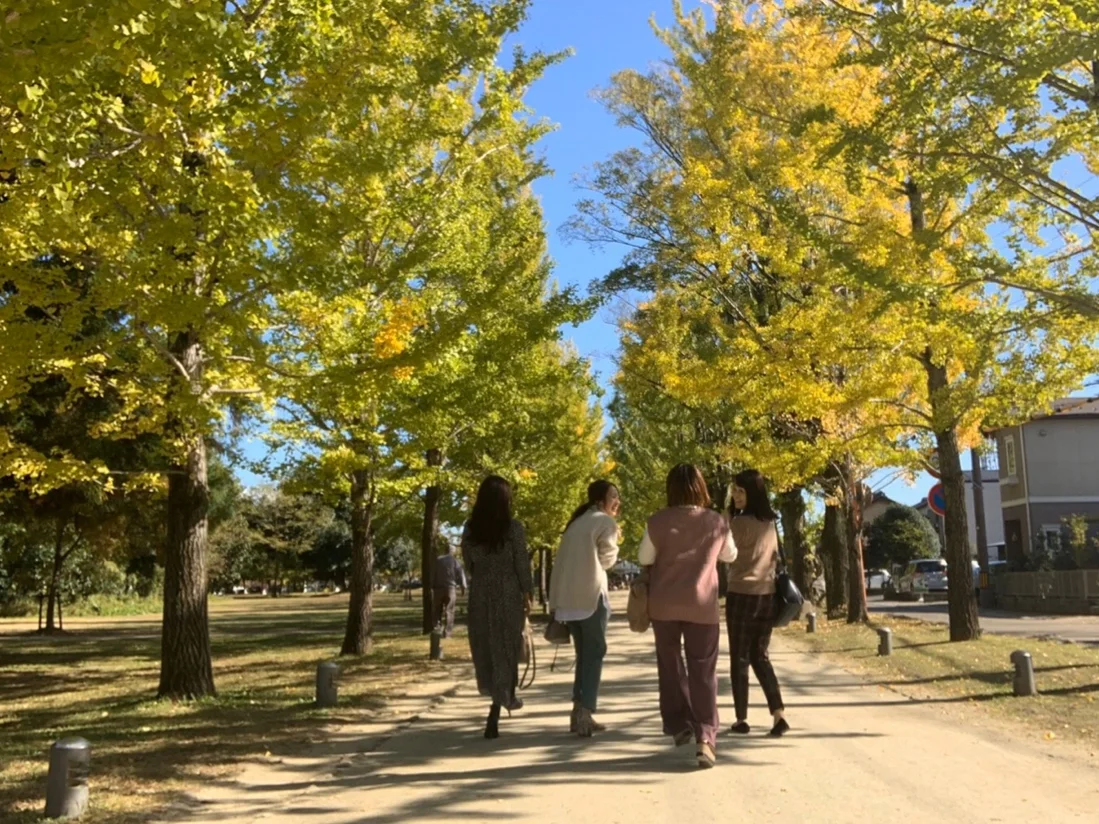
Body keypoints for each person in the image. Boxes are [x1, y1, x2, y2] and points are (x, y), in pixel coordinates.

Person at [639, 464, 737, 769]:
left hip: (664, 605)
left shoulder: (657, 521)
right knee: (703, 671)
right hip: (702, 605)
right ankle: (706, 738)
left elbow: (644, 558)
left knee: (670, 665)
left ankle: (678, 722)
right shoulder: (716, 522)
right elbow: (730, 555)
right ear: (701, 487)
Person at [462, 475, 533, 739]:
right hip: (508, 592)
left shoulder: (470, 530)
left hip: (481, 593)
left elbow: (469, 563)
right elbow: (522, 564)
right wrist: (527, 591)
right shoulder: (514, 528)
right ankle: (502, 700)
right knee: (507, 646)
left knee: (486, 646)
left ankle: (496, 696)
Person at [548, 480, 621, 737]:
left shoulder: (576, 522)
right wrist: (616, 538)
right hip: (590, 598)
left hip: (568, 601)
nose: (617, 502)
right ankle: (584, 713)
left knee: (585, 656)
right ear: (601, 499)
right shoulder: (605, 522)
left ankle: (578, 710)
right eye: (613, 496)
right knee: (595, 653)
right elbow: (608, 560)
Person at [726, 469, 789, 738]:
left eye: (740, 491)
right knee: (760, 656)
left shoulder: (736, 524)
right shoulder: (770, 523)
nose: (736, 496)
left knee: (739, 658)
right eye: (734, 491)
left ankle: (742, 718)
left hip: (741, 594)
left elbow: (724, 555)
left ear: (751, 493)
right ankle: (778, 715)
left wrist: (726, 516)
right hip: (767, 596)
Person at [432, 541, 467, 638]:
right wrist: (463, 587)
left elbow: (433, 573)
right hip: (450, 588)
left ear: (445, 550)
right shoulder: (456, 561)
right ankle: (447, 633)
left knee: (436, 610)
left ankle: (436, 630)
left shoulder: (438, 560)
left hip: (438, 588)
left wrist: (432, 586)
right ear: (453, 551)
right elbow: (461, 575)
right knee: (450, 610)